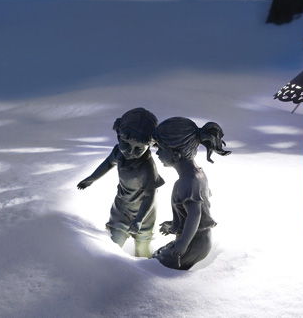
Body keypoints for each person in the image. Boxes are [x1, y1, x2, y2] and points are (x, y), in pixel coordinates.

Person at [77, 107, 163, 258]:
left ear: (149, 146)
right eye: (126, 144)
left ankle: (143, 271)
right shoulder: (118, 151)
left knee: (142, 248)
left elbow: (150, 196)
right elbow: (108, 164)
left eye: (138, 149)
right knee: (113, 244)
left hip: (144, 213)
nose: (130, 151)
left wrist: (139, 220)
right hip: (121, 207)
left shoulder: (147, 167)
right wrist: (90, 179)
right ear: (118, 137)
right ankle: (110, 268)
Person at [152, 117, 230, 270]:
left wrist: (181, 245)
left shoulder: (187, 182)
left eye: (160, 148)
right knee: (158, 254)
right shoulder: (197, 174)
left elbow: (195, 215)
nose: (157, 153)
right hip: (198, 240)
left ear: (176, 153)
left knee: (156, 261)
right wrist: (175, 224)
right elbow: (194, 211)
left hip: (194, 244)